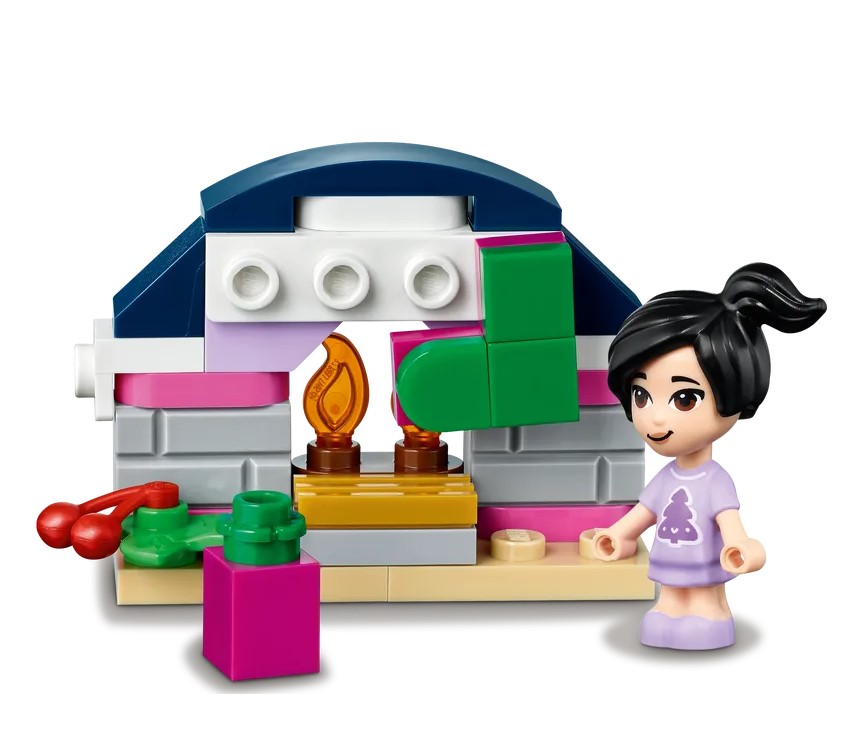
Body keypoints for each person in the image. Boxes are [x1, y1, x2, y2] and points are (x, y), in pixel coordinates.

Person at [592, 263, 826, 650]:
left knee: (703, 600)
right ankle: (669, 611)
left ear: (735, 395)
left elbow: (728, 522)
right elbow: (645, 512)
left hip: (704, 563)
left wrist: (740, 546)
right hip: (669, 563)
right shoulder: (667, 477)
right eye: (641, 395)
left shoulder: (715, 480)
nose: (655, 418)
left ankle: (709, 615)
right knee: (667, 602)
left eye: (684, 398)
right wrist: (619, 534)